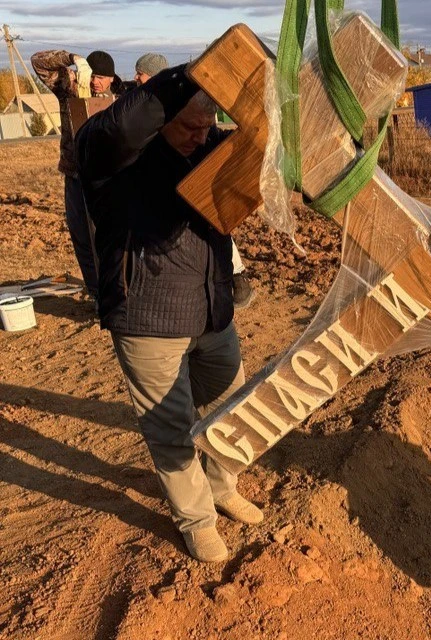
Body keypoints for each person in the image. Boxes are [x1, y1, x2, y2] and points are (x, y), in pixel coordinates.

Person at [75, 65, 262, 562]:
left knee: (233, 403)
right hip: (147, 316)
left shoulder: (207, 145)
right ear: (159, 118)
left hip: (210, 309)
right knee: (171, 426)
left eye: (207, 126)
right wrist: (193, 76)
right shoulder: (113, 157)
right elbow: (118, 129)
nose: (200, 136)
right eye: (188, 126)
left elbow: (264, 148)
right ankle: (197, 520)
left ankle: (222, 486)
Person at [133, 52, 256, 309]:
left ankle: (236, 276)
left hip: (198, 197)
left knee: (211, 222)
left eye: (141, 73)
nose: (136, 78)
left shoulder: (189, 111)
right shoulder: (135, 114)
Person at [31, 49, 121, 301]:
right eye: (93, 75)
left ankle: (117, 294)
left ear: (112, 78)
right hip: (75, 176)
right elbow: (39, 63)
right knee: (81, 236)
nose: (95, 82)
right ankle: (96, 294)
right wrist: (73, 59)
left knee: (106, 239)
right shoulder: (70, 89)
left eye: (102, 77)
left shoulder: (119, 99)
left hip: (106, 182)